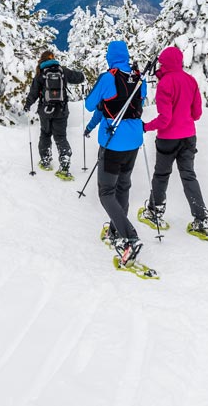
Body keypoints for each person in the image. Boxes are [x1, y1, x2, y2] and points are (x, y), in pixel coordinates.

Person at [141, 46, 208, 239]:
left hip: (168, 139)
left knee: (162, 174)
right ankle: (201, 218)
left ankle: (154, 211)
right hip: (189, 137)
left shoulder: (165, 83)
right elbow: (197, 114)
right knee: (189, 175)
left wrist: (146, 126)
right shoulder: (190, 80)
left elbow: (165, 119)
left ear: (164, 63)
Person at [85, 40, 148, 265]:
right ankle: (116, 230)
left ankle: (130, 236)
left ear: (110, 57)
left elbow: (89, 104)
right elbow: (141, 100)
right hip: (133, 142)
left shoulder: (108, 77)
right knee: (123, 186)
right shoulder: (140, 78)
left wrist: (103, 102)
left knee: (106, 192)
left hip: (113, 143)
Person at [24, 50, 85, 177]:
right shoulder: (63, 71)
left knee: (45, 134)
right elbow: (80, 78)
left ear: (42, 60)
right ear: (53, 59)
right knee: (61, 137)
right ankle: (64, 165)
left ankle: (45, 161)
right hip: (62, 111)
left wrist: (28, 105)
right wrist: (82, 73)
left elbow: (33, 93)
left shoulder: (40, 74)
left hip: (45, 111)